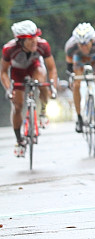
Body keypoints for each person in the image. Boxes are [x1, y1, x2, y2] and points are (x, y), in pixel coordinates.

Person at [1, 20, 58, 156]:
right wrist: (9, 89)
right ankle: (19, 139)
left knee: (41, 81)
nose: (34, 42)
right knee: (18, 105)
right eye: (30, 40)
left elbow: (52, 68)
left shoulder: (43, 45)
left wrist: (53, 87)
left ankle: (43, 111)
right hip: (17, 72)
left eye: (35, 37)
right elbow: (3, 72)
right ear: (20, 41)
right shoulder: (9, 49)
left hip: (35, 67)